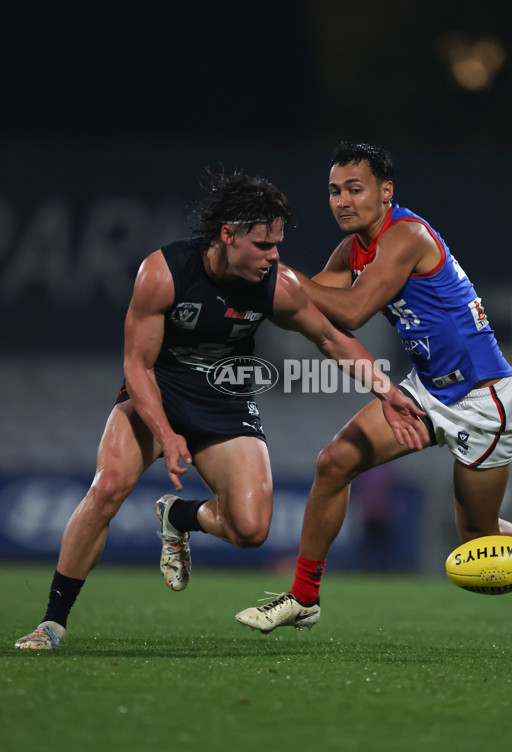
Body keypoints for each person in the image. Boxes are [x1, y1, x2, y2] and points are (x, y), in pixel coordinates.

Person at [15, 169, 428, 651]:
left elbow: (332, 337)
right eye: (262, 244)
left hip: (224, 399)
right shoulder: (164, 272)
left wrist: (385, 390)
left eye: (277, 244)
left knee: (252, 529)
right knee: (107, 487)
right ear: (227, 236)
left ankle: (179, 517)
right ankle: (52, 622)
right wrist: (167, 435)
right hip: (159, 390)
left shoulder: (277, 284)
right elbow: (137, 364)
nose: (273, 256)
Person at [235, 142, 512, 654]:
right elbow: (306, 306)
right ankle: (304, 597)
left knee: (476, 539)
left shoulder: (406, 236)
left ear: (385, 191)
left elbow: (348, 311)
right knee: (333, 463)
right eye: (334, 191)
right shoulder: (353, 248)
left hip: (486, 402)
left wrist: (281, 281)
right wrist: (253, 287)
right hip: (428, 389)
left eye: (356, 188)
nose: (343, 200)